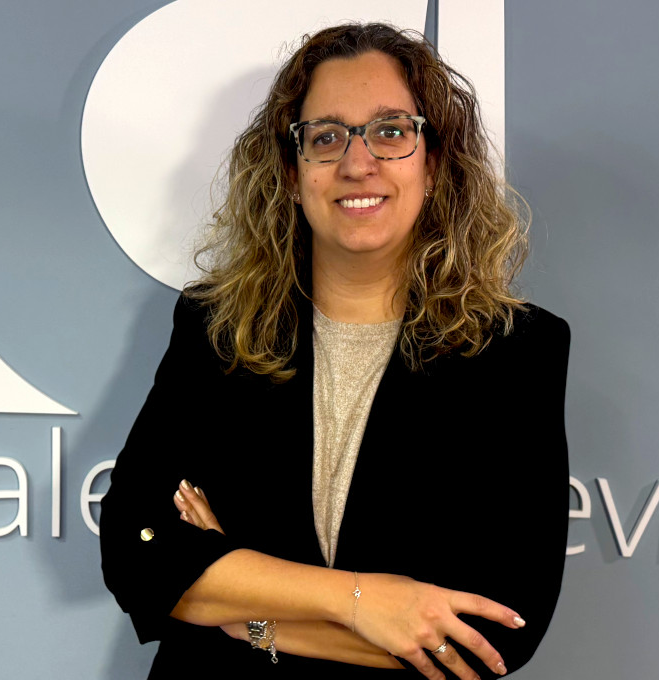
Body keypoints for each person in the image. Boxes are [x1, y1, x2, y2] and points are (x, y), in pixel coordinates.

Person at [98, 22, 571, 679]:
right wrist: (365, 600)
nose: (357, 163)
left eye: (391, 131)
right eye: (326, 137)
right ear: (293, 175)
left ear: (434, 164)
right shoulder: (217, 328)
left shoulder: (517, 353)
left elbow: (494, 634)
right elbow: (136, 550)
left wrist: (246, 616)